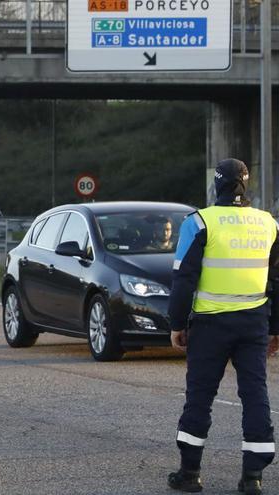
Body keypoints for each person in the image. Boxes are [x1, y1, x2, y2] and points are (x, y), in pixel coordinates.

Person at [167, 158, 279, 494]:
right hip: (253, 323)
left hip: (210, 324)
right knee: (255, 394)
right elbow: (276, 280)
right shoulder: (268, 224)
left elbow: (184, 279)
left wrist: (176, 323)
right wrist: (275, 327)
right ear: (247, 184)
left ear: (216, 185)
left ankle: (190, 474)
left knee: (200, 396)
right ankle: (253, 477)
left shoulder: (199, 222)